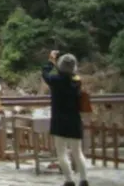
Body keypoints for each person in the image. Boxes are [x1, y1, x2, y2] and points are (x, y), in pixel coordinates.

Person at [43, 50, 89, 186]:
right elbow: (71, 76)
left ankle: (69, 180)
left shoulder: (55, 81)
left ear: (60, 65)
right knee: (77, 152)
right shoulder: (77, 81)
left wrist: (51, 61)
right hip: (74, 119)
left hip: (59, 120)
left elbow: (45, 74)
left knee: (61, 152)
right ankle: (84, 179)